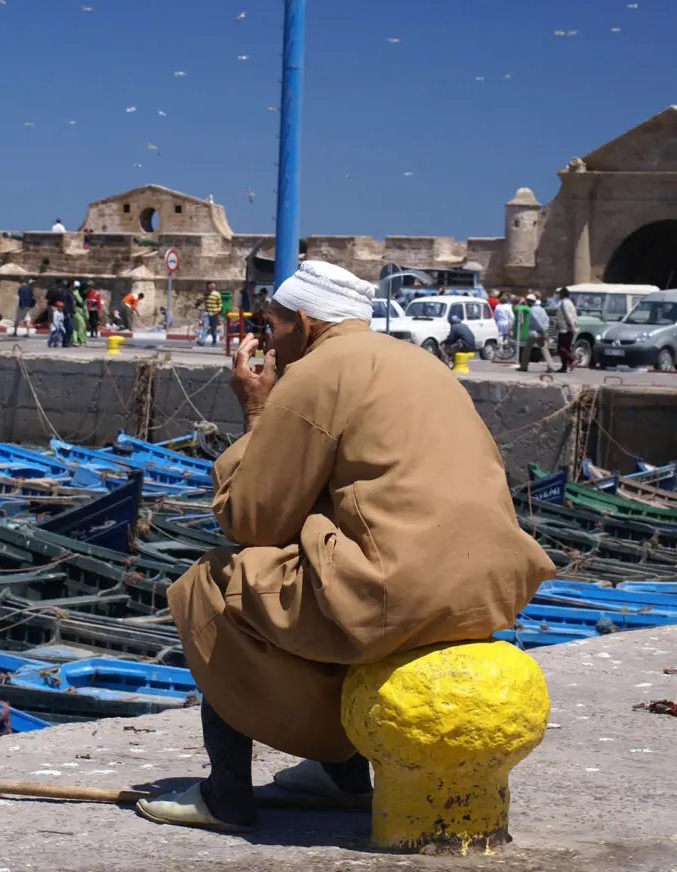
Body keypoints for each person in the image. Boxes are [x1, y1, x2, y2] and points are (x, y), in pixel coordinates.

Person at [133, 261, 554, 833]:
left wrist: (256, 410)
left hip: (401, 593)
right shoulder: (419, 363)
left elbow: (251, 521)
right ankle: (342, 774)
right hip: (490, 592)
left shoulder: (315, 372)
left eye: (273, 327)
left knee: (214, 581)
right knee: (327, 565)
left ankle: (225, 795)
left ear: (304, 324)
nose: (269, 344)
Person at [554, 287, 578, 373]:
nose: (559, 296)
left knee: (560, 348)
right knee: (566, 348)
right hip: (569, 328)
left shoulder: (564, 303)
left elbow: (568, 316)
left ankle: (573, 360)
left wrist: (571, 327)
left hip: (565, 328)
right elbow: (574, 315)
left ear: (563, 294)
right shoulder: (570, 302)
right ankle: (564, 367)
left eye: (560, 294)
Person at [529, 294, 554, 370]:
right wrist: (545, 328)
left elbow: (536, 320)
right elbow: (547, 319)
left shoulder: (532, 310)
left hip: (534, 332)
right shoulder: (542, 310)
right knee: (545, 349)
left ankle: (523, 366)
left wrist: (541, 329)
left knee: (527, 350)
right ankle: (551, 366)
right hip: (541, 331)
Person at [61, 281, 78, 347]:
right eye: (74, 285)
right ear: (71, 285)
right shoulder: (66, 292)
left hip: (71, 312)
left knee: (70, 328)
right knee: (69, 328)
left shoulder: (71, 292)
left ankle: (67, 341)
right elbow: (64, 303)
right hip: (67, 313)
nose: (75, 286)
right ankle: (65, 342)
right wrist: (66, 312)